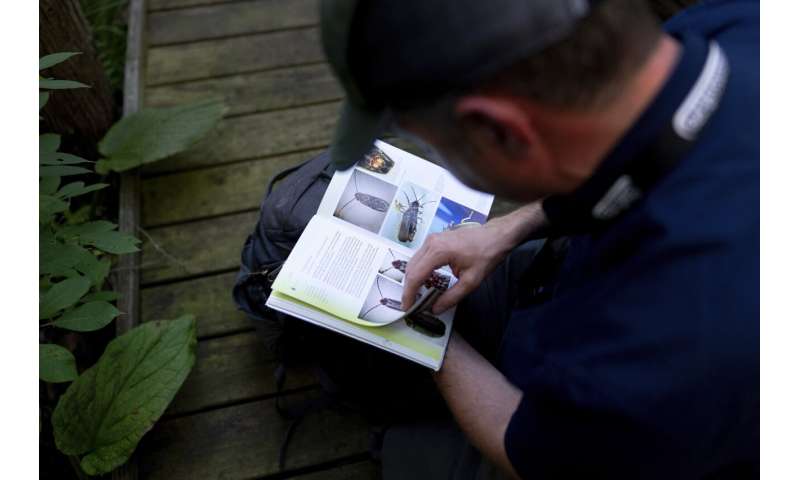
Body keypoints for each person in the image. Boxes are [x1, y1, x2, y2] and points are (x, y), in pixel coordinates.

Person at [319, 0, 759, 478]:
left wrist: (426, 340)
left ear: (500, 130)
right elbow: (648, 146)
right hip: (592, 320)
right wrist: (514, 226)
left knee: (406, 455)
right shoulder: (747, 22)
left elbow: (530, 454)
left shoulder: (663, 348)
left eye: (434, 145)